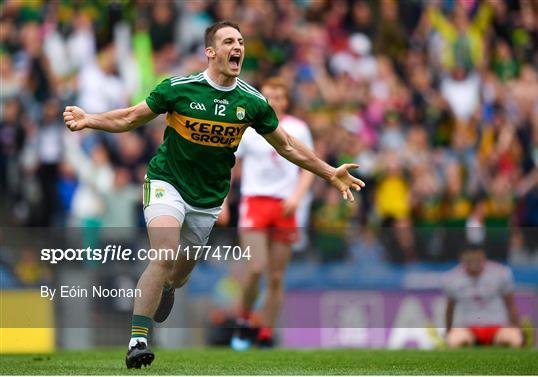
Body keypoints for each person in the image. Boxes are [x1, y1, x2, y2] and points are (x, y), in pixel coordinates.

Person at [63, 21, 365, 369]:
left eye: (240, 41)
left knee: (177, 274)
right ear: (211, 51)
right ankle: (137, 340)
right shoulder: (179, 88)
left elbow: (288, 147)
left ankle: (169, 288)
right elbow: (131, 117)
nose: (237, 46)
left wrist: (329, 172)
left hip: (207, 200)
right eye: (228, 41)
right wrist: (90, 119)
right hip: (167, 181)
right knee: (163, 255)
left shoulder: (251, 102)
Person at [228, 77, 314, 350]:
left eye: (278, 96)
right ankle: (244, 319)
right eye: (268, 96)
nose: (273, 101)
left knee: (276, 276)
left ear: (285, 100)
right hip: (254, 202)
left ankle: (266, 331)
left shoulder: (298, 128)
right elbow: (231, 165)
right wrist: (221, 201)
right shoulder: (248, 129)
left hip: (284, 205)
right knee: (255, 268)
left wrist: (297, 197)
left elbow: (309, 167)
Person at [443, 242, 523, 348]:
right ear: (461, 259)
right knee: (454, 342)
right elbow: (450, 310)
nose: (474, 264)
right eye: (469, 261)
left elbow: (511, 305)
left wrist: (518, 329)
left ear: (483, 258)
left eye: (477, 260)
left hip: (498, 326)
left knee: (515, 340)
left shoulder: (501, 273)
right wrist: (448, 332)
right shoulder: (451, 278)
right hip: (469, 328)